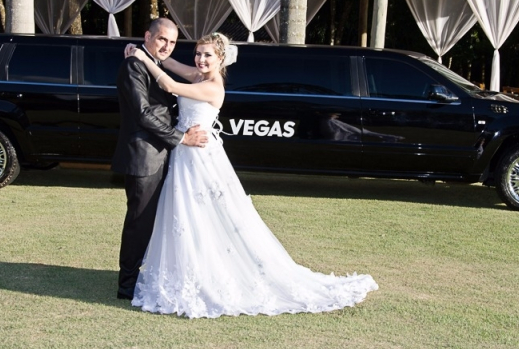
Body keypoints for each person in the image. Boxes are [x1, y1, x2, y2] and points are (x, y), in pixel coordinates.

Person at [123, 32, 378, 318]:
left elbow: (168, 84)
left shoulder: (213, 87)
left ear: (221, 58)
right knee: (186, 215)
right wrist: (145, 50)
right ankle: (190, 270)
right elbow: (169, 63)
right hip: (184, 153)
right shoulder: (197, 75)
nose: (201, 59)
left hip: (200, 156)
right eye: (198, 53)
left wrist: (142, 58)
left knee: (207, 213)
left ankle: (214, 275)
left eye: (208, 54)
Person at [112, 18, 208, 300]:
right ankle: (126, 286)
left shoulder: (152, 63)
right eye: (161, 39)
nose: (166, 46)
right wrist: (181, 137)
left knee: (158, 220)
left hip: (165, 156)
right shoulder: (133, 66)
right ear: (148, 36)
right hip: (144, 157)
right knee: (139, 221)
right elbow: (143, 114)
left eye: (173, 42)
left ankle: (146, 275)